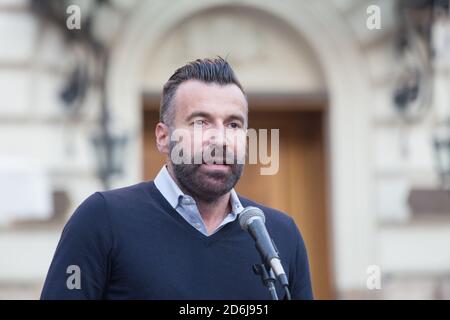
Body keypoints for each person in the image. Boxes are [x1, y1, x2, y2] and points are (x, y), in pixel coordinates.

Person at [41, 57, 313, 300]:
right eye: (199, 123)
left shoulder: (279, 234)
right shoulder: (102, 218)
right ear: (163, 138)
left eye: (233, 124)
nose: (219, 138)